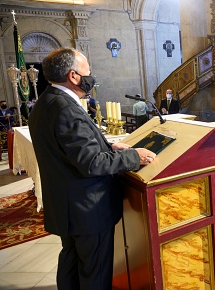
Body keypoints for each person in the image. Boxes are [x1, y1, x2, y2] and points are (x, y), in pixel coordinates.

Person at [28, 47, 156, 290]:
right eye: (88, 69)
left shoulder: (46, 102)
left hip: (66, 206)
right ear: (74, 76)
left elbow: (66, 149)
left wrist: (108, 146)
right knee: (94, 273)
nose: (91, 74)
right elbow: (92, 163)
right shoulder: (66, 108)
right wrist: (133, 156)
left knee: (71, 263)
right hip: (87, 209)